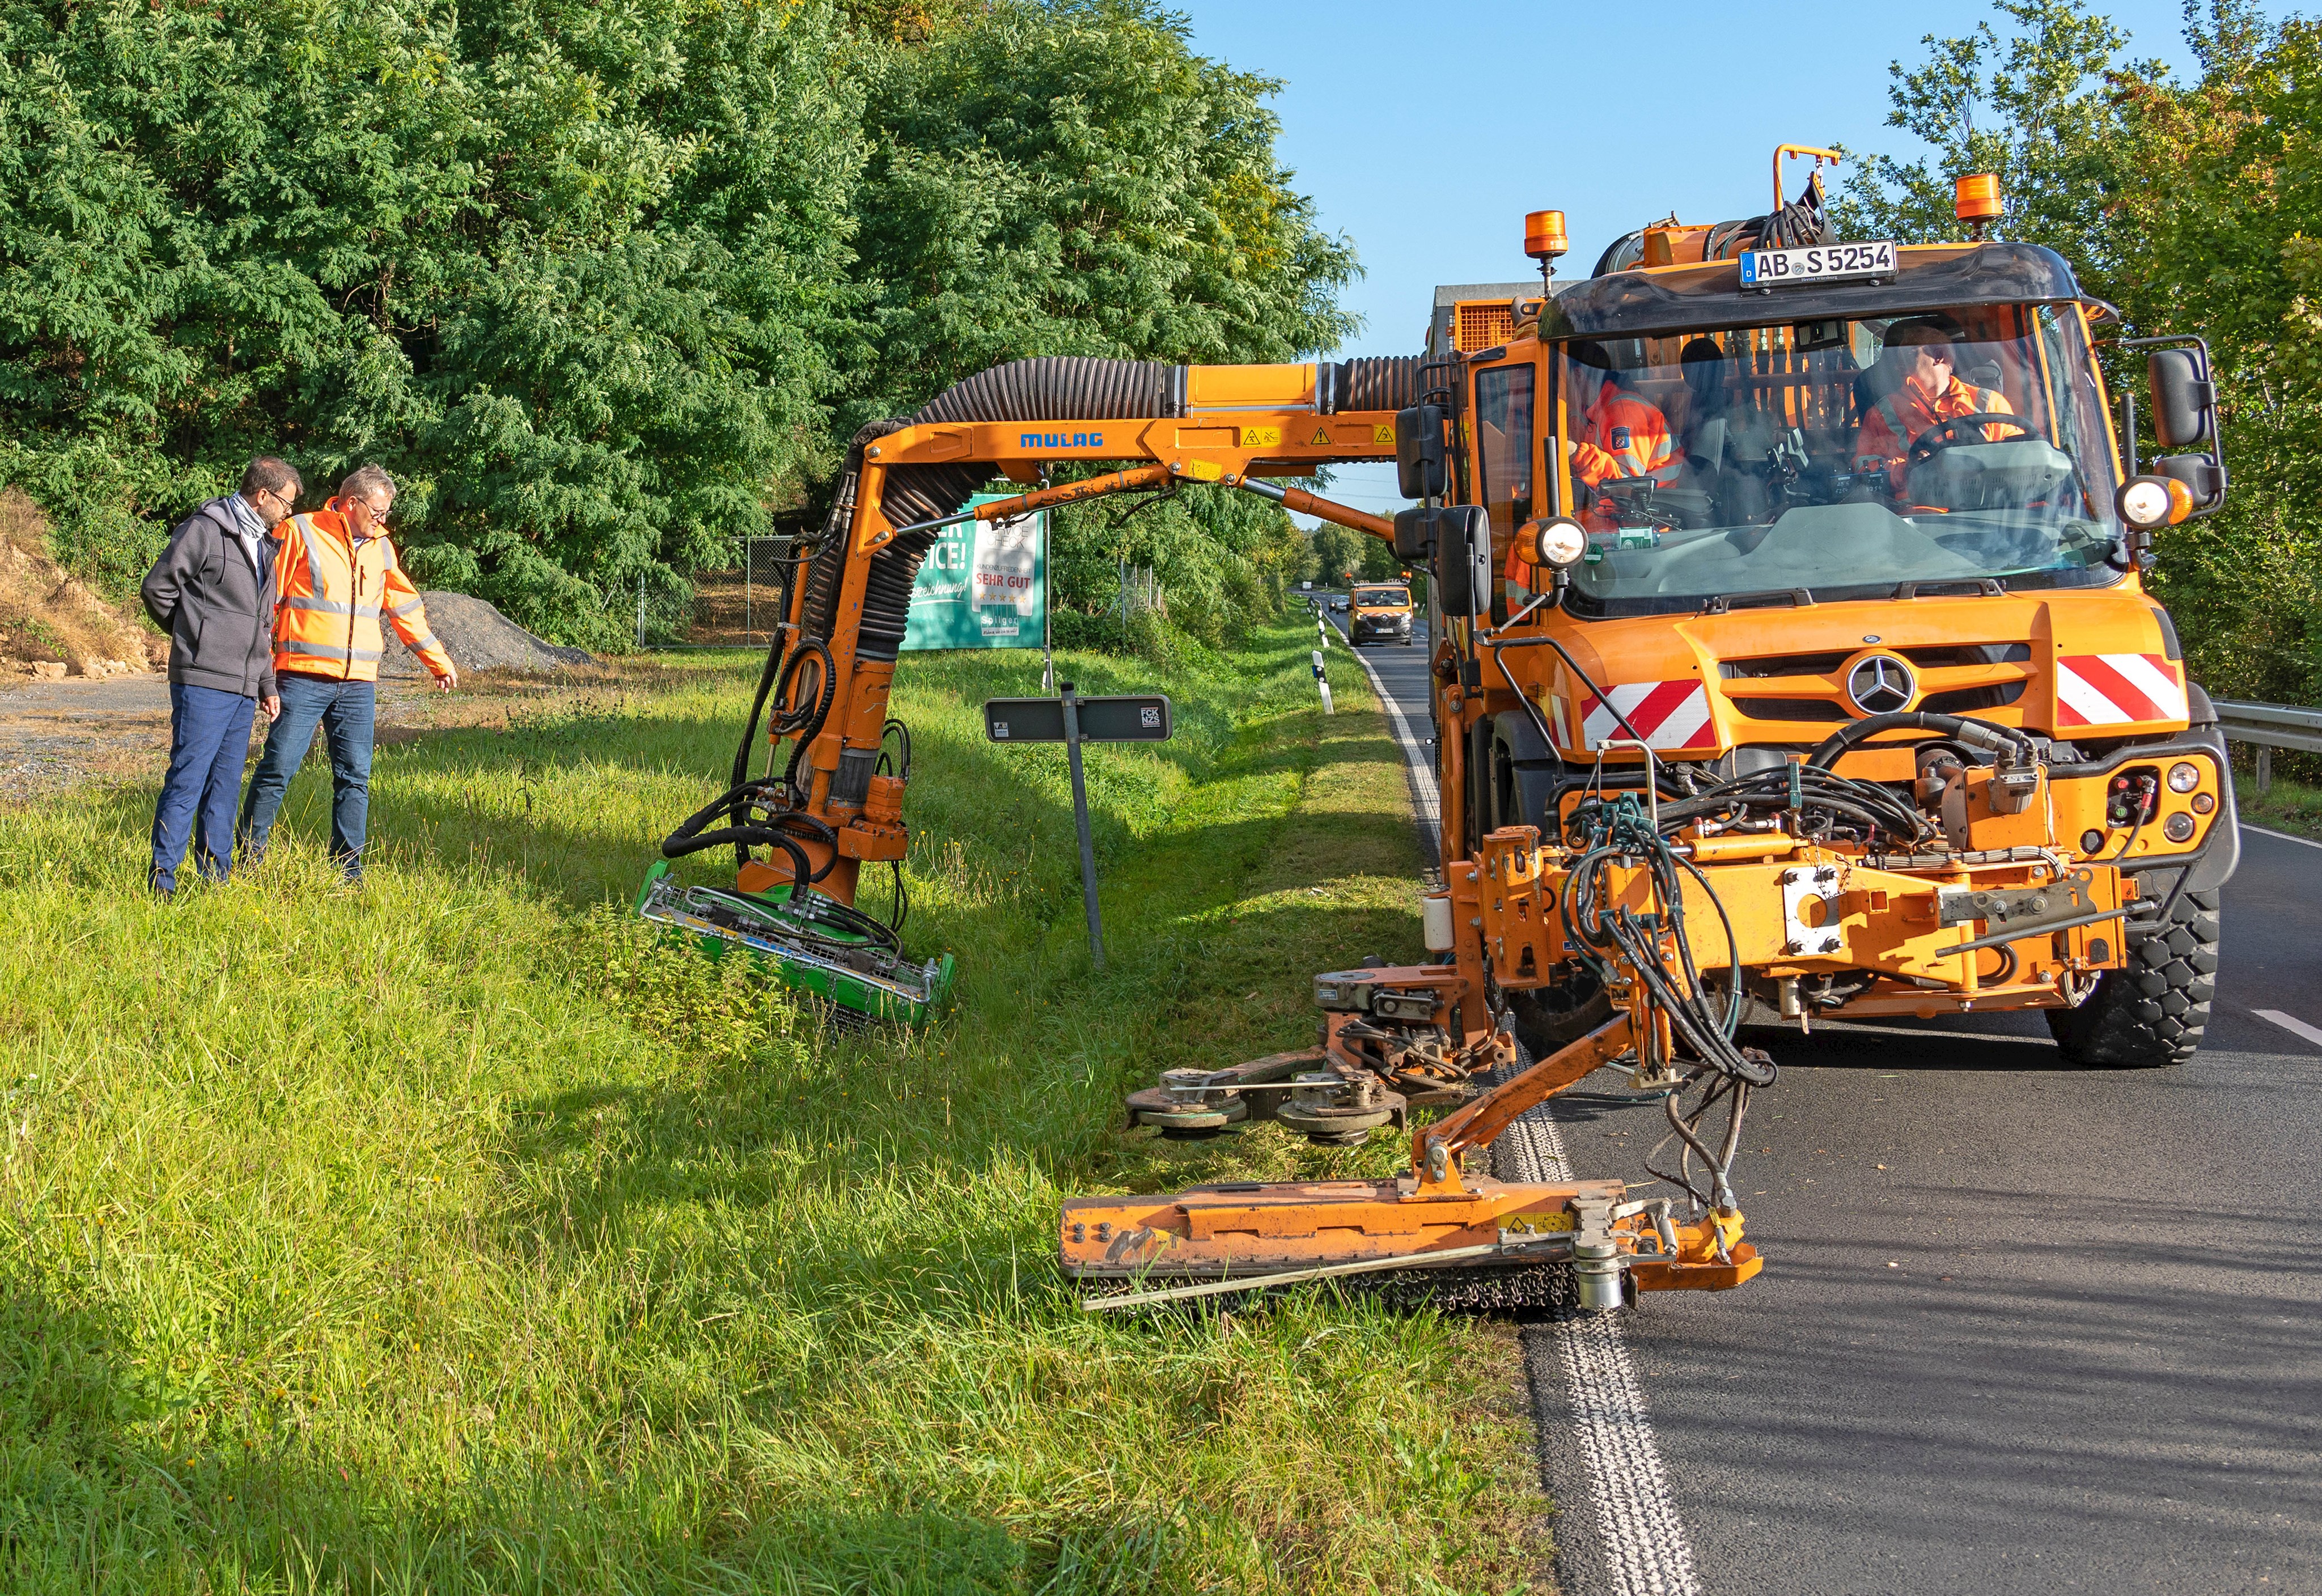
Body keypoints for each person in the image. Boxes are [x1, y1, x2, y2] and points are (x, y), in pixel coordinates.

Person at [238, 465, 457, 882]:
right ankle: (249, 857)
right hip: (302, 676)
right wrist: (261, 671)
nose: (383, 520)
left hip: (358, 684)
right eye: (377, 512)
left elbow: (405, 609)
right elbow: (267, 604)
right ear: (351, 502)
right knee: (279, 767)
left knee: (355, 777)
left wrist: (438, 661)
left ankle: (347, 872)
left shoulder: (381, 549)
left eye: (387, 513)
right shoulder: (301, 531)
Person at [139, 457, 302, 897]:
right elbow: (157, 589)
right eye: (286, 502)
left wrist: (267, 683)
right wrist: (197, 634)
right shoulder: (206, 528)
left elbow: (261, 622)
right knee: (189, 778)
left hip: (244, 685)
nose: (289, 512)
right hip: (203, 679)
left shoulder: (265, 544)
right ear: (263, 495)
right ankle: (162, 883)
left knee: (226, 784)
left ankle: (215, 878)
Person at [1853, 319, 2018, 492]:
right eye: (1897, 357)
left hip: (1985, 511)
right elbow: (1862, 465)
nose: (1897, 365)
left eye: (1909, 356)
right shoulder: (1881, 413)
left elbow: (2021, 458)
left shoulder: (1991, 403)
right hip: (1913, 514)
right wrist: (1907, 470)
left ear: (1938, 356)